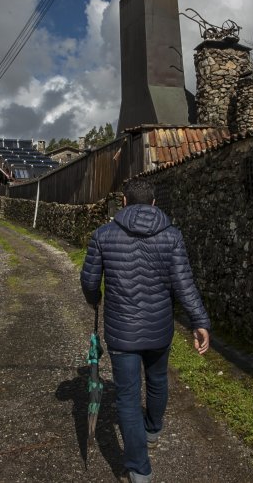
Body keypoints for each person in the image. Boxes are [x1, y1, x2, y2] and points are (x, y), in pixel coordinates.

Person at [80, 178, 211, 483]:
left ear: (124, 201)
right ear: (154, 203)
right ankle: (152, 429)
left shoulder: (103, 235)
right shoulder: (172, 236)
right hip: (159, 328)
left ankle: (139, 469)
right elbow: (184, 284)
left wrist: (94, 298)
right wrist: (200, 321)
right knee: (157, 379)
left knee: (127, 397)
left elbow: (89, 281)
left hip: (121, 331)